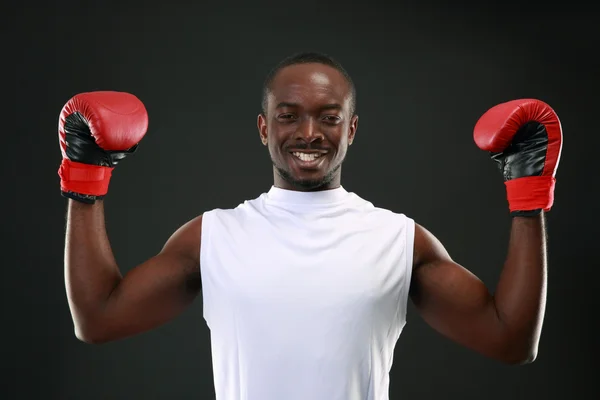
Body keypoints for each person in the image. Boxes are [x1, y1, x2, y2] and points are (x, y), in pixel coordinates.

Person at [58, 52, 562, 400]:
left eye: (328, 117)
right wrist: (86, 180)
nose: (308, 133)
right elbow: (99, 320)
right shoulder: (213, 235)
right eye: (288, 115)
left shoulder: (397, 239)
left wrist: (527, 195)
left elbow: (511, 341)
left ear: (352, 128)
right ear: (263, 128)